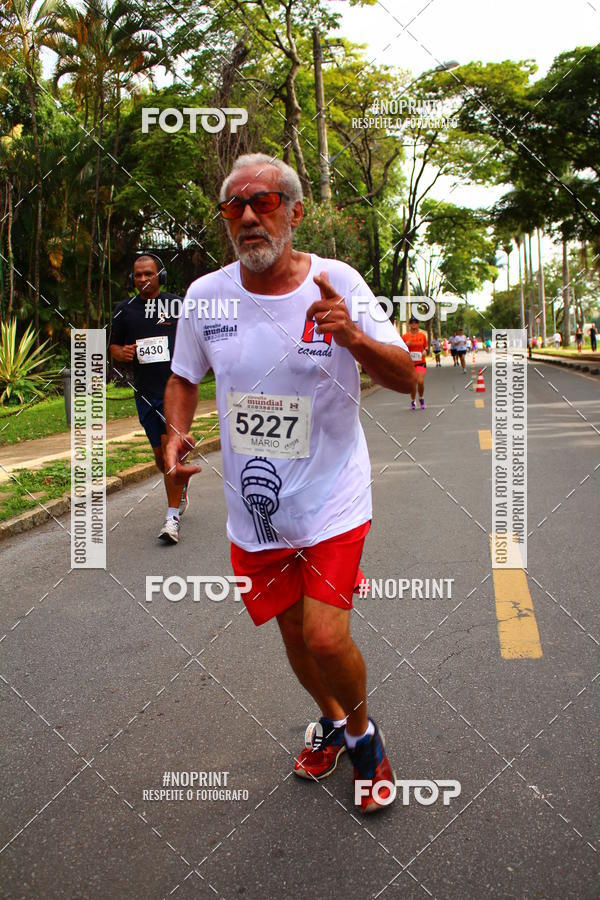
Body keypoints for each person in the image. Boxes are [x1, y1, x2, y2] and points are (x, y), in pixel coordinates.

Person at [164, 153, 416, 814]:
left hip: (334, 498)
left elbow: (409, 378)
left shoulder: (338, 282)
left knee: (326, 637)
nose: (248, 216)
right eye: (234, 206)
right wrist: (175, 431)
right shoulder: (205, 297)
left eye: (265, 201)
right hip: (256, 515)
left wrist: (355, 338)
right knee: (295, 640)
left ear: (295, 212)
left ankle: (364, 740)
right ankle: (332, 722)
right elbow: (185, 377)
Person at [109, 252, 188, 544]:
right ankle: (180, 487)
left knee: (170, 451)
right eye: (138, 275)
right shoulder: (124, 310)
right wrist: (122, 353)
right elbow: (114, 348)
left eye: (148, 274)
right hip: (145, 393)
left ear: (160, 276)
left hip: (175, 391)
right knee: (160, 455)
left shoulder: (177, 305)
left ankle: (172, 517)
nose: (142, 279)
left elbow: (194, 340)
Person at [402, 316, 429, 408]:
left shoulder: (422, 336)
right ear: (409, 324)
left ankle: (421, 398)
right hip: (409, 363)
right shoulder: (405, 336)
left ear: (418, 324)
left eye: (416, 322)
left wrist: (425, 350)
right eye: (412, 322)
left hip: (420, 362)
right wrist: (406, 345)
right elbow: (400, 348)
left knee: (420, 381)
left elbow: (426, 347)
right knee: (413, 383)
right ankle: (413, 400)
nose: (414, 324)